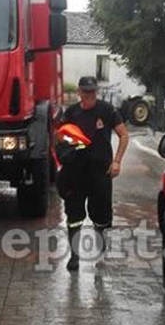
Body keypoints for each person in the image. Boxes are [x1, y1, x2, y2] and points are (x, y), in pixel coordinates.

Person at [55, 76, 129, 272]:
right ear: (79, 92)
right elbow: (60, 138)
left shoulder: (107, 110)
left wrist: (117, 162)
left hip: (100, 172)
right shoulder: (71, 112)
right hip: (75, 172)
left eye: (93, 92)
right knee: (74, 214)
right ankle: (74, 256)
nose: (90, 95)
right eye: (86, 92)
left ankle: (101, 244)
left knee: (101, 214)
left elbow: (124, 135)